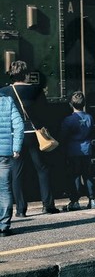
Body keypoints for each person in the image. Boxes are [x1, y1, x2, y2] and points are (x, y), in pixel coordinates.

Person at [0, 60, 60, 215]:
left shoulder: (5, 91)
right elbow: (45, 113)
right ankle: (48, 205)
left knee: (16, 172)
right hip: (34, 134)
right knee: (42, 168)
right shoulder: (36, 90)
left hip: (14, 136)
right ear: (26, 74)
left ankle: (20, 209)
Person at [60, 91, 95, 211]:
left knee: (75, 175)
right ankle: (92, 199)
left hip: (73, 150)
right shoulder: (89, 117)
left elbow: (63, 136)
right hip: (87, 149)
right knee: (88, 175)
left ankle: (75, 201)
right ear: (84, 104)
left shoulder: (68, 120)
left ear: (71, 104)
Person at [0, 92, 23, 236]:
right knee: (4, 189)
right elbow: (19, 125)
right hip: (4, 153)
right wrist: (16, 148)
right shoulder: (7, 101)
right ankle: (3, 225)